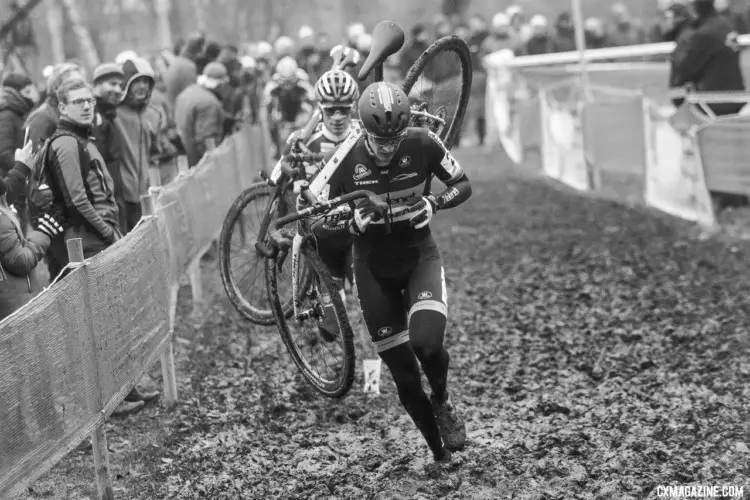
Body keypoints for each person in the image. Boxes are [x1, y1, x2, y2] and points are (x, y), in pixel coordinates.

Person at [312, 82, 472, 462]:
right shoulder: (345, 154)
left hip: (419, 257)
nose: (387, 148)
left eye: (394, 140)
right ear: (363, 130)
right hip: (371, 268)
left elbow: (462, 184)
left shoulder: (422, 142)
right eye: (378, 141)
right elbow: (315, 215)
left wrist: (434, 203)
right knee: (403, 374)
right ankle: (439, 454)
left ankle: (444, 399)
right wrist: (348, 220)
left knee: (427, 345)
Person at [115, 57, 163, 233]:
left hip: (147, 193)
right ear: (126, 84)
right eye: (137, 82)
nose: (142, 86)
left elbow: (155, 153)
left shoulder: (153, 114)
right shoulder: (114, 115)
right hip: (121, 196)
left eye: (146, 81)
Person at [174, 62, 228, 167]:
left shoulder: (187, 92)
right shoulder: (209, 103)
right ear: (220, 84)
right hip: (199, 164)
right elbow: (207, 138)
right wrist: (215, 164)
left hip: (184, 158)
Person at [91, 63, 125, 220]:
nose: (117, 90)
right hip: (103, 204)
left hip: (114, 198)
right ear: (97, 85)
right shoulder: (94, 117)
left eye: (120, 85)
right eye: (112, 84)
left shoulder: (109, 116)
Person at [263, 56, 315, 158]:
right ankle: (275, 145)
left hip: (299, 110)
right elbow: (267, 104)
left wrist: (308, 114)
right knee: (271, 121)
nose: (287, 86)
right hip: (283, 111)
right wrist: (272, 120)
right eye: (284, 83)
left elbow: (313, 100)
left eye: (290, 82)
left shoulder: (303, 80)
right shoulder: (273, 84)